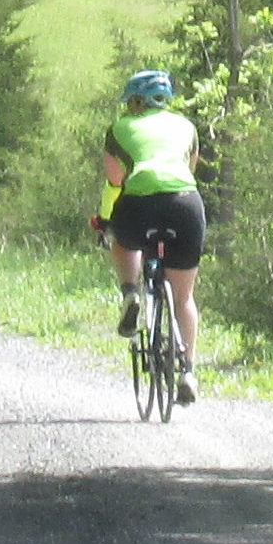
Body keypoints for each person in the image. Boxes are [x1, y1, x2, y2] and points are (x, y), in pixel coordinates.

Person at [98, 69, 206, 404]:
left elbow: (115, 181)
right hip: (186, 204)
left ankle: (131, 291)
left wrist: (104, 220)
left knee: (125, 241)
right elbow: (190, 167)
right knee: (184, 297)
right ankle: (188, 370)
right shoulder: (187, 127)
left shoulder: (119, 129)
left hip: (139, 204)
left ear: (133, 101)